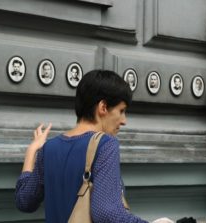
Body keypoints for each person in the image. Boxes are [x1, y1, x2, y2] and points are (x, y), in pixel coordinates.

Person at [15, 70, 160, 223]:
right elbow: (105, 213)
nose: (124, 121)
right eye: (121, 111)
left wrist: (32, 151)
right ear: (103, 107)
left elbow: (24, 201)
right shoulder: (106, 144)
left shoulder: (49, 148)